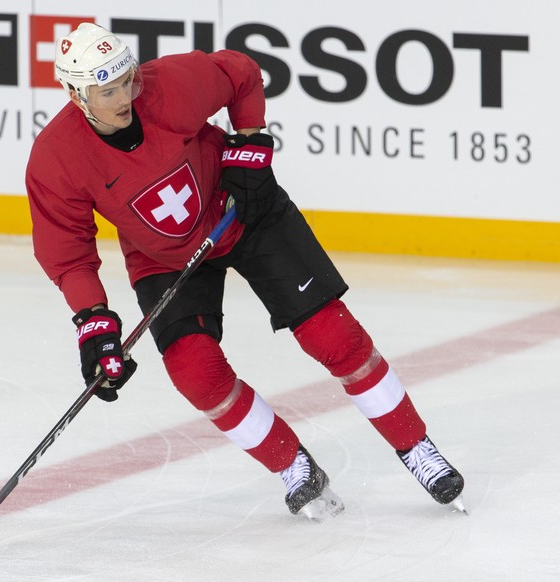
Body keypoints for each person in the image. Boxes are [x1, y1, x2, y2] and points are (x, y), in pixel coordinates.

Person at [25, 22, 464, 519]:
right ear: (76, 95)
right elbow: (68, 252)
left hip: (243, 209)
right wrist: (95, 323)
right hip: (162, 256)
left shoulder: (169, 84)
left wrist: (250, 143)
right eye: (108, 90)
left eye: (127, 79)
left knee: (333, 337)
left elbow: (241, 72)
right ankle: (293, 466)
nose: (125, 95)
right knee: (196, 373)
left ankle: (415, 447)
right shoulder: (55, 157)